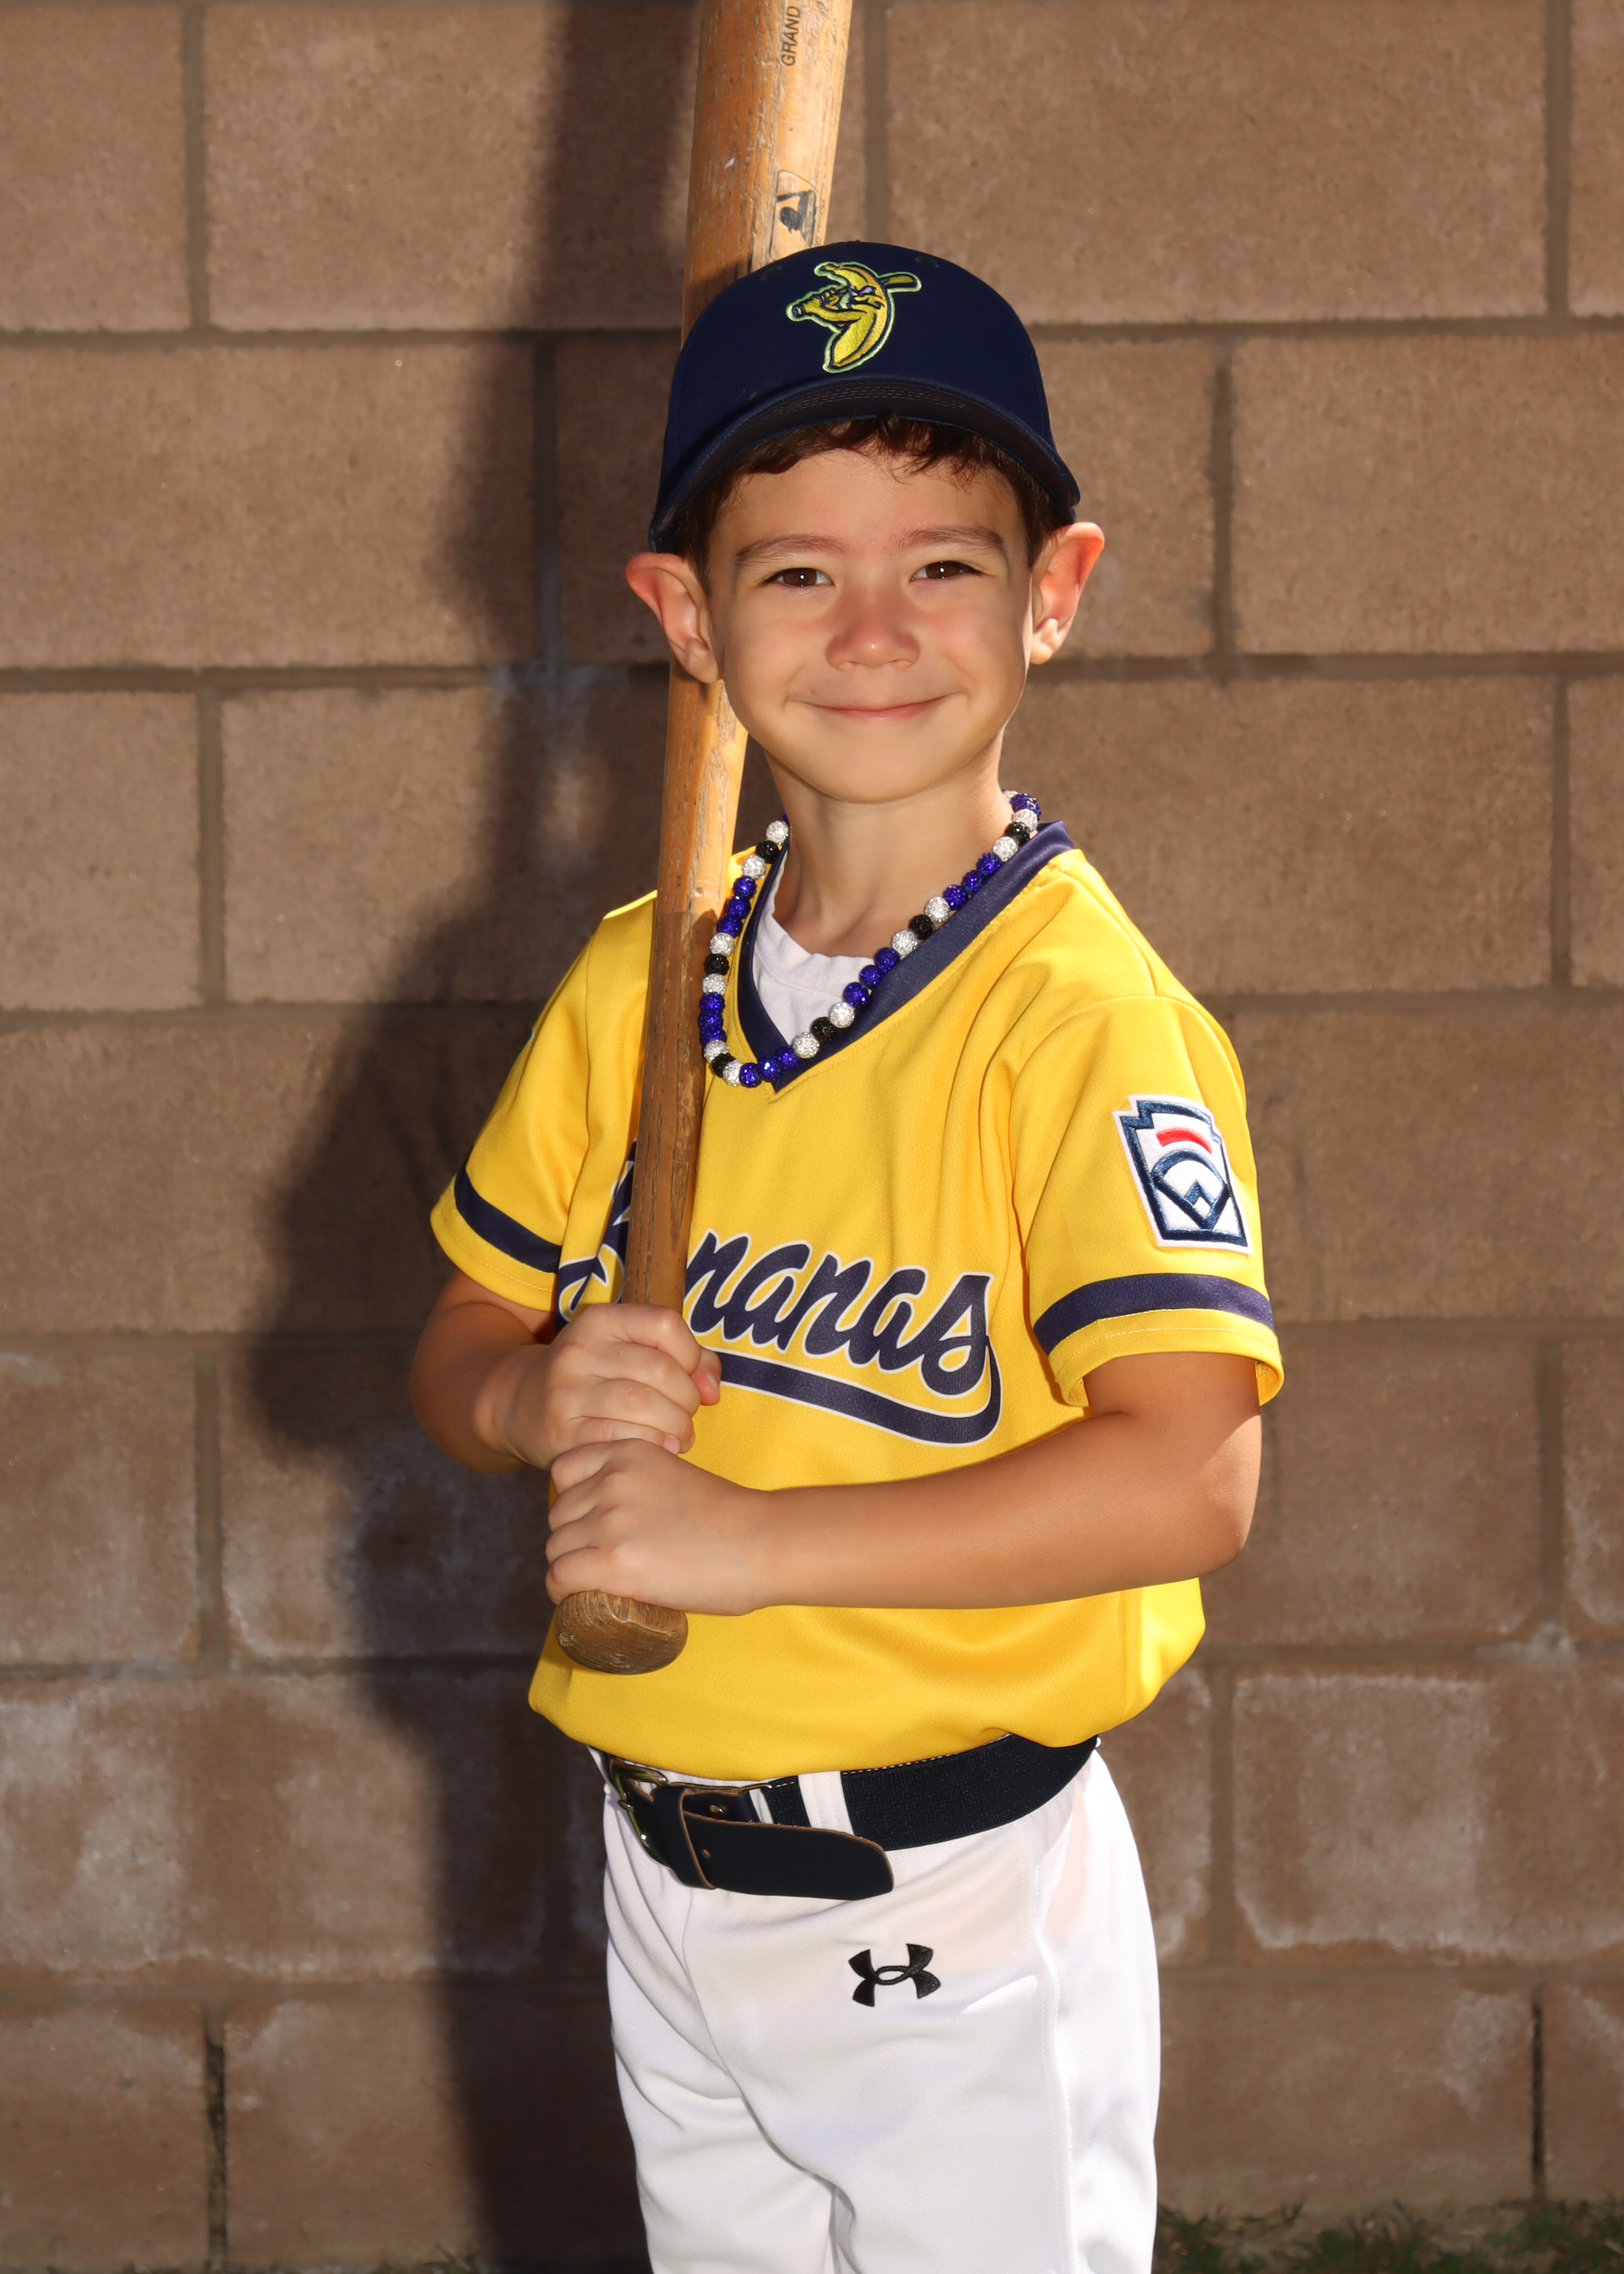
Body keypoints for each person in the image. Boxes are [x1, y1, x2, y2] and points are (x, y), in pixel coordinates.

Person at [410, 242, 1282, 2274]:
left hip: (951, 1893)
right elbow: (460, 1336)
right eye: (797, 569)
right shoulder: (644, 976)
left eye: (944, 564)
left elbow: (1189, 1474)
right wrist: (527, 1391)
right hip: (668, 1866)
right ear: (684, 615)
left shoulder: (1080, 1019)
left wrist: (749, 1542)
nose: (873, 628)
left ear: (1054, 590)